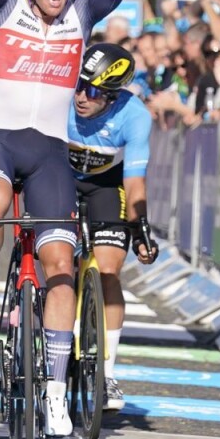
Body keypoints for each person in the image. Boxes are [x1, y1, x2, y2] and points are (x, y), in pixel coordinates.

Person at [0, 0, 154, 435]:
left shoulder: (81, 14)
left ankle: (54, 393)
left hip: (51, 152)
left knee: (60, 268)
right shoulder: (4, 7)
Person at [67, 43, 159, 410]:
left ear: (112, 96)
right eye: (78, 85)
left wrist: (140, 230)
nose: (80, 97)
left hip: (108, 186)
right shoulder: (60, 100)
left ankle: (107, 373)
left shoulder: (135, 116)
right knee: (56, 261)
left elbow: (135, 183)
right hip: (59, 179)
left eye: (91, 92)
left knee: (108, 271)